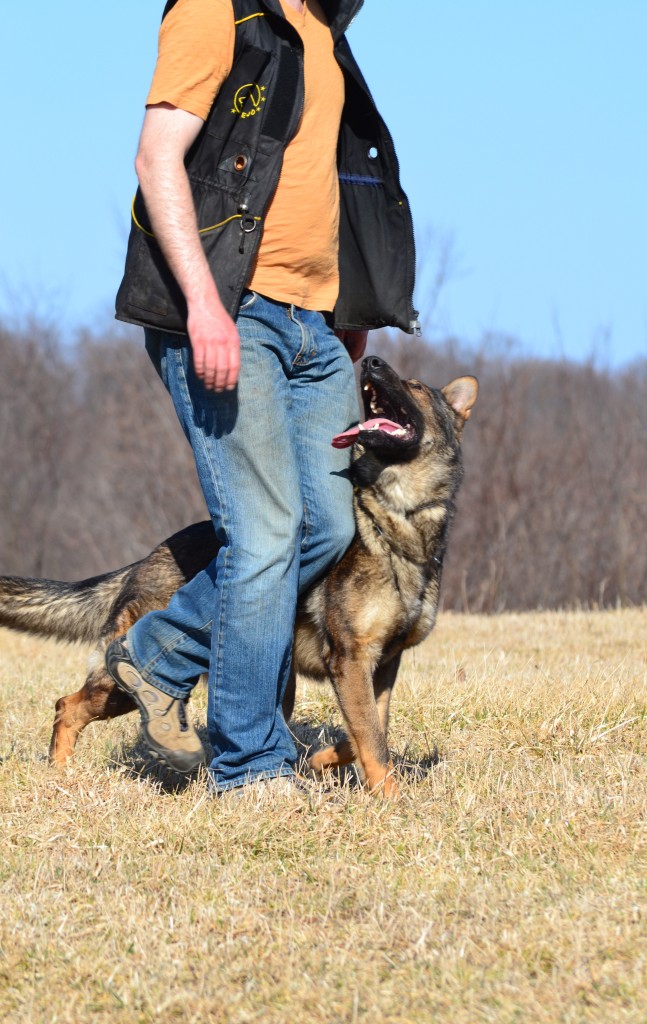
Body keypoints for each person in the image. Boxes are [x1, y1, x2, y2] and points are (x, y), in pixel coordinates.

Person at [107, 0, 419, 795]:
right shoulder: (217, 8)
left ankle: (156, 658)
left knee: (327, 527)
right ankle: (250, 768)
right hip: (232, 312)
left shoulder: (324, 31)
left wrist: (347, 310)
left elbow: (325, 183)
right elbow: (156, 157)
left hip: (315, 327)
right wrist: (204, 305)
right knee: (265, 534)